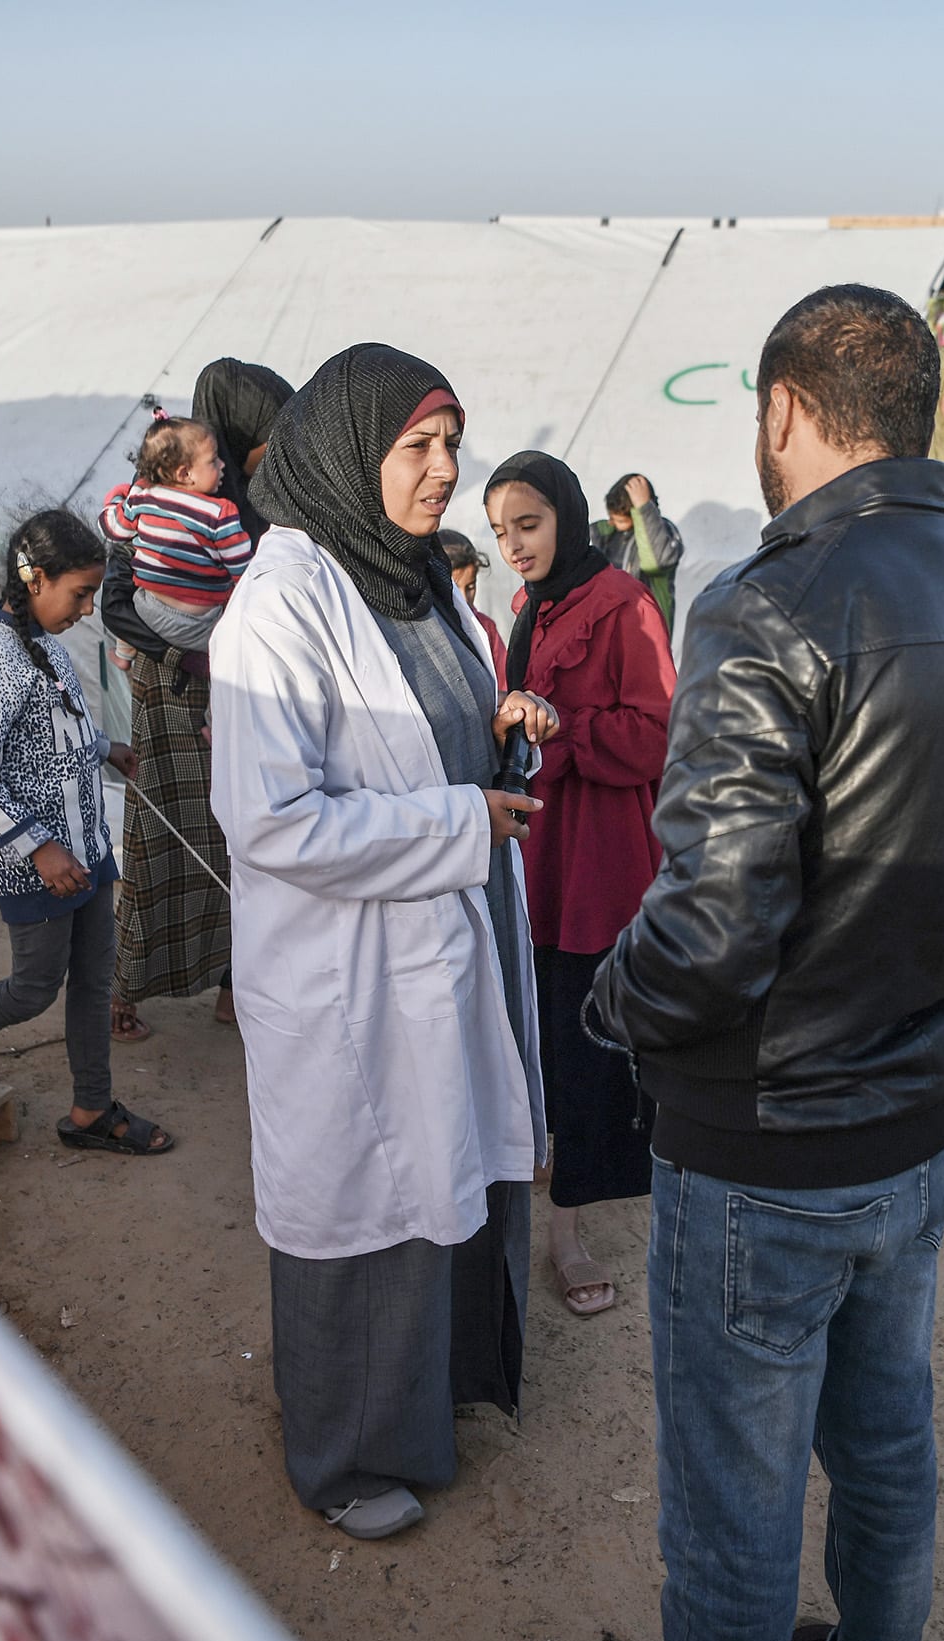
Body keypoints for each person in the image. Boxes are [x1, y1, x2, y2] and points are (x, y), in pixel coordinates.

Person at [589, 285, 944, 1641]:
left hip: (769, 1146)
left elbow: (711, 933)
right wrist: (929, 962)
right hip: (920, 1133)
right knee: (887, 1446)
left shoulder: (765, 604)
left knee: (735, 1510)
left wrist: (607, 1000)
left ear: (781, 410)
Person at [210, 343, 560, 1542]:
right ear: (350, 451)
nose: (443, 468)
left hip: (449, 925)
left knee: (446, 1169)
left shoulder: (411, 577)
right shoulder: (281, 603)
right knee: (366, 1202)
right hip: (352, 965)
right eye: (417, 445)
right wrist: (459, 818)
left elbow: (427, 725)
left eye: (450, 442)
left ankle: (432, 1402)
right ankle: (345, 1454)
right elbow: (270, 818)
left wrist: (497, 721)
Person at [0, 509, 165, 1154]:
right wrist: (37, 847)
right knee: (32, 989)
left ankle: (91, 1110)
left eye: (94, 594)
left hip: (87, 851)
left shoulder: (45, 645)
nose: (89, 608)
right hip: (38, 861)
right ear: (35, 578)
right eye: (80, 593)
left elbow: (57, 730)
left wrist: (106, 746)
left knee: (95, 983)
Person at [485, 450, 675, 1320]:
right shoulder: (533, 604)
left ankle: (567, 1228)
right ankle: (540, 1191)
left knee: (590, 1046)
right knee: (540, 1035)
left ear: (565, 515)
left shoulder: (624, 604)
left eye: (528, 525)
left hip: (596, 862)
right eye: (499, 532)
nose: (514, 545)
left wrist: (561, 731)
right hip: (536, 852)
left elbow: (655, 734)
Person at [104, 358, 294, 1040]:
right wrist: (185, 650)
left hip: (235, 694)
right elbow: (116, 601)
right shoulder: (162, 498)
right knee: (157, 833)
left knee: (239, 837)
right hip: (171, 690)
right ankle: (123, 988)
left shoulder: (259, 504)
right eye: (266, 439)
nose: (273, 455)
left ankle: (232, 981)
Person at [98, 412, 253, 650]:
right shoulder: (220, 514)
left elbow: (112, 529)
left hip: (147, 611)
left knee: (135, 589)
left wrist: (115, 498)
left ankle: (124, 651)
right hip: (197, 626)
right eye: (213, 460)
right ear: (184, 474)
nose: (222, 465)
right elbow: (244, 573)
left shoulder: (141, 495)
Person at [594, 473, 684, 634]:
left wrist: (644, 509)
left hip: (648, 633)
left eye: (619, 520)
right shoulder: (607, 534)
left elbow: (657, 562)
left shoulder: (664, 533)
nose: (611, 523)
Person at [438, 526, 505, 676]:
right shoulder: (431, 629)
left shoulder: (485, 628)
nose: (464, 598)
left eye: (470, 587)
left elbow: (503, 683)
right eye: (454, 589)